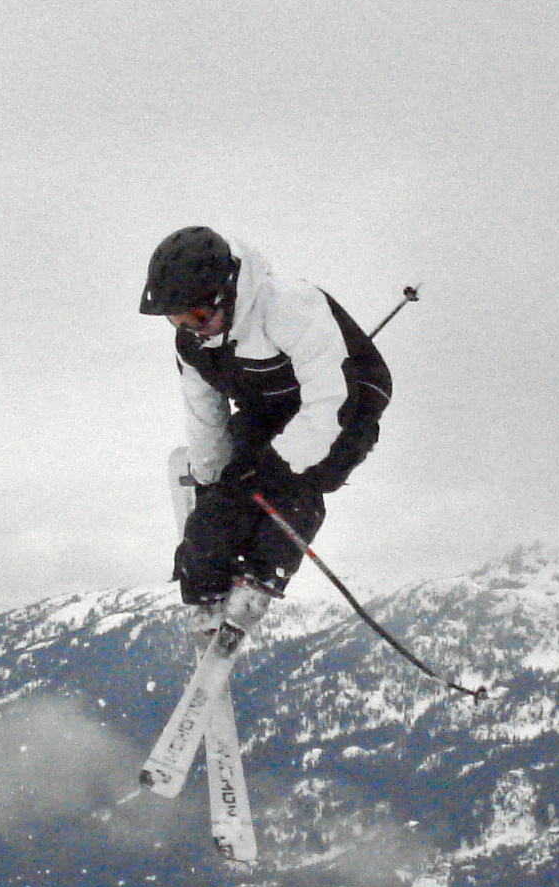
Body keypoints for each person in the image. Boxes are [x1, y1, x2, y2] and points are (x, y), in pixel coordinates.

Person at [137, 226, 391, 631]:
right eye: (176, 320)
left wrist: (280, 466)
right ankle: (207, 587)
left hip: (351, 401)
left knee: (291, 491)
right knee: (223, 507)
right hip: (269, 406)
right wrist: (211, 482)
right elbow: (205, 415)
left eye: (198, 316)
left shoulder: (287, 306)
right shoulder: (192, 344)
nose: (191, 329)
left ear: (228, 294)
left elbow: (332, 400)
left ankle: (261, 576)